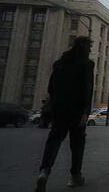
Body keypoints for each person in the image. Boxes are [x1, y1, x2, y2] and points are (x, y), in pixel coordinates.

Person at [35, 36, 95, 191]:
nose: (90, 50)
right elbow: (87, 90)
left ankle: (44, 172)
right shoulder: (87, 64)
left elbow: (51, 88)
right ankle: (75, 176)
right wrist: (85, 112)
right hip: (77, 111)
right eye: (89, 47)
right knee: (77, 144)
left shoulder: (59, 64)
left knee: (54, 140)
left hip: (59, 110)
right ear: (84, 47)